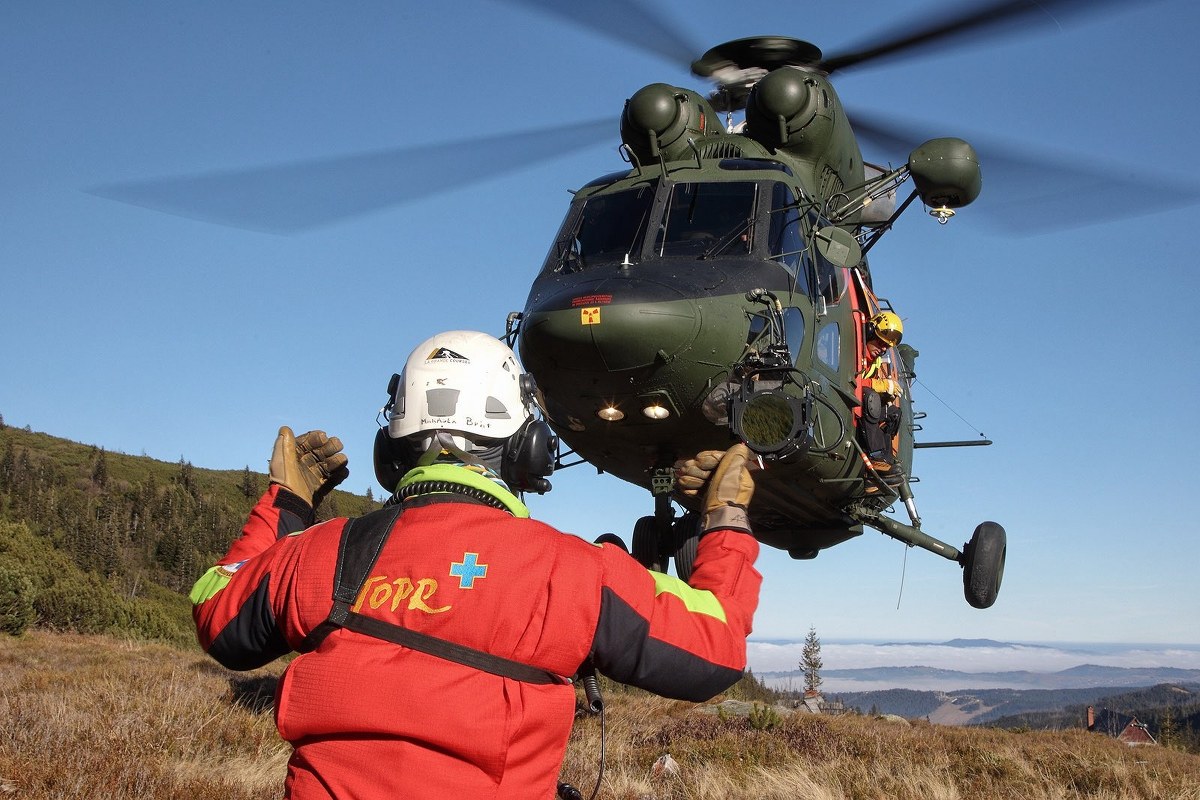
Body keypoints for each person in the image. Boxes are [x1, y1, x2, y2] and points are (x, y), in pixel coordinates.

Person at [190, 330, 762, 799]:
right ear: (526, 446)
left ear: (391, 451)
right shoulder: (573, 570)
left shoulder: (319, 552)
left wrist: (284, 505)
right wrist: (725, 518)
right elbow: (715, 647)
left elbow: (219, 613)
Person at [858, 311, 904, 475]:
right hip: (849, 403)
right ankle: (876, 455)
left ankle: (886, 460)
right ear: (870, 331)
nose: (882, 348)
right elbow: (845, 380)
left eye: (886, 346)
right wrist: (875, 385)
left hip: (859, 406)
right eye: (880, 342)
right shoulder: (852, 349)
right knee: (871, 398)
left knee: (892, 413)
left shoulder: (875, 362)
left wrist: (885, 394)